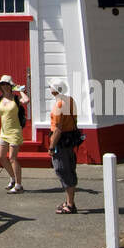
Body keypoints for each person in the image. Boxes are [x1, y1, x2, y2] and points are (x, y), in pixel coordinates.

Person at [0, 74, 27, 193]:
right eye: (3, 84)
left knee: (12, 158)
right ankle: (13, 178)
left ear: (11, 86)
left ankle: (18, 185)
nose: (5, 87)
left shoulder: (16, 99)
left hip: (15, 132)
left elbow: (26, 101)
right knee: (1, 157)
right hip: (3, 133)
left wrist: (20, 91)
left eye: (7, 84)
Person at [47, 77, 78, 214]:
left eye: (51, 87)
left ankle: (70, 204)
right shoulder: (70, 100)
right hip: (70, 139)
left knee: (62, 170)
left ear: (54, 90)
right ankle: (69, 201)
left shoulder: (58, 105)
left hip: (61, 141)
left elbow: (58, 128)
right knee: (70, 169)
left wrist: (51, 146)